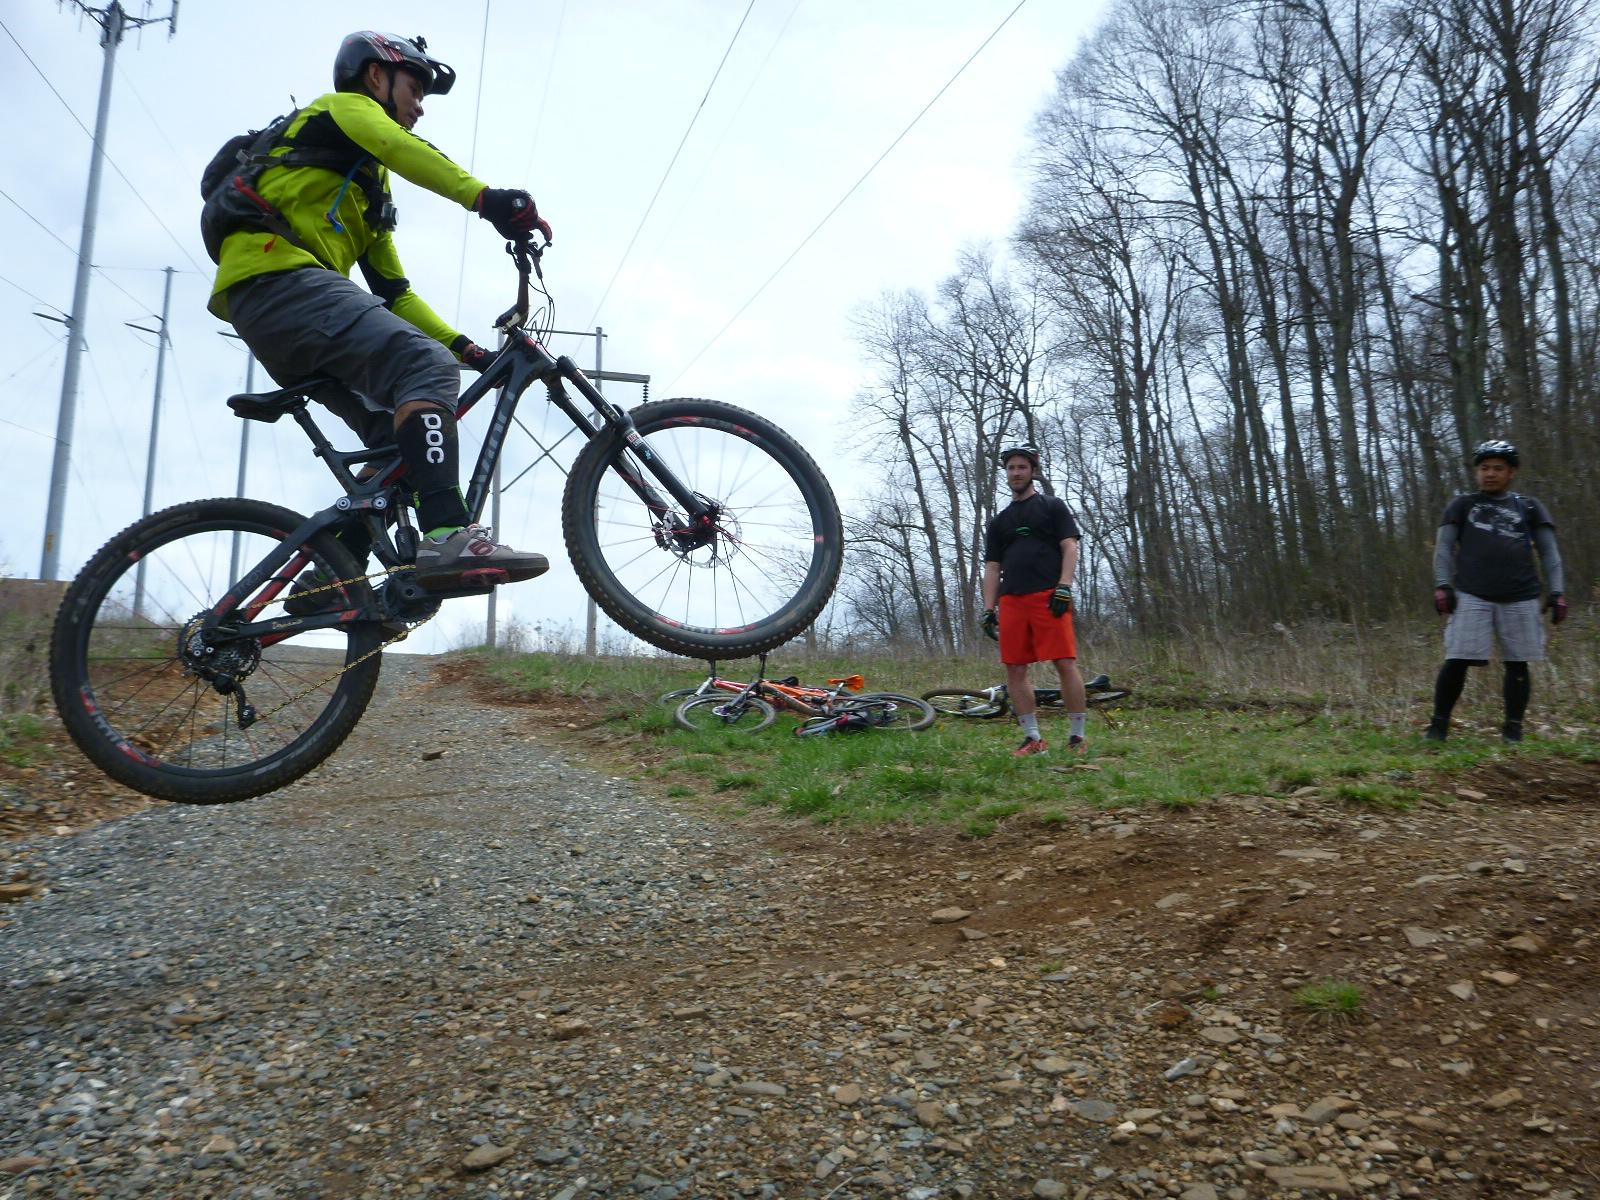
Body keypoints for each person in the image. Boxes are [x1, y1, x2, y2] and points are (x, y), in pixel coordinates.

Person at [207, 31, 550, 592]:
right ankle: (447, 534)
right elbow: (403, 149)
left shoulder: (364, 186)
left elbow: (395, 293)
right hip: (279, 280)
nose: (419, 106)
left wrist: (462, 346)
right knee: (424, 370)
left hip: (276, 307)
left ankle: (329, 578)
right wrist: (488, 200)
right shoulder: (344, 110)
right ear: (375, 77)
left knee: (397, 442)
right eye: (415, 88)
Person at [1426, 439, 1566, 744]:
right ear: (1477, 471)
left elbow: (1550, 553)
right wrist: (1442, 585)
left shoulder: (1529, 507)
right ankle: (1438, 728)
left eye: (1497, 469)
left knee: (1517, 663)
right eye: (1484, 468)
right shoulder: (1462, 505)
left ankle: (1513, 730)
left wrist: (1557, 592)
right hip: (1471, 593)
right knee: (1457, 658)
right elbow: (1445, 548)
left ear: (1511, 472)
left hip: (1522, 595)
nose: (1490, 474)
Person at [979, 444, 1088, 757]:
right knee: (1015, 670)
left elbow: (1070, 547)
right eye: (1011, 468)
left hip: (1048, 596)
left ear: (1033, 471)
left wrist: (1064, 586)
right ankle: (1033, 739)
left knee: (1064, 663)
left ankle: (1077, 738)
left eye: (1021, 467)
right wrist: (989, 609)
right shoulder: (999, 522)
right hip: (1012, 600)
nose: (1016, 473)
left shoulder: (1052, 507)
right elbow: (992, 567)